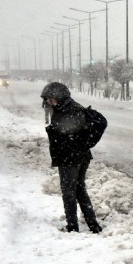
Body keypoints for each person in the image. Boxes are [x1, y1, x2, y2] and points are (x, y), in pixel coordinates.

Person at [41, 82, 103, 234]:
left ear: (60, 97)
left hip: (71, 157)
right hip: (79, 155)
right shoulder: (70, 107)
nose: (49, 102)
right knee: (79, 188)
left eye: (51, 99)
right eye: (48, 99)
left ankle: (73, 226)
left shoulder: (69, 111)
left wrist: (59, 138)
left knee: (69, 191)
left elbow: (71, 134)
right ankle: (92, 224)